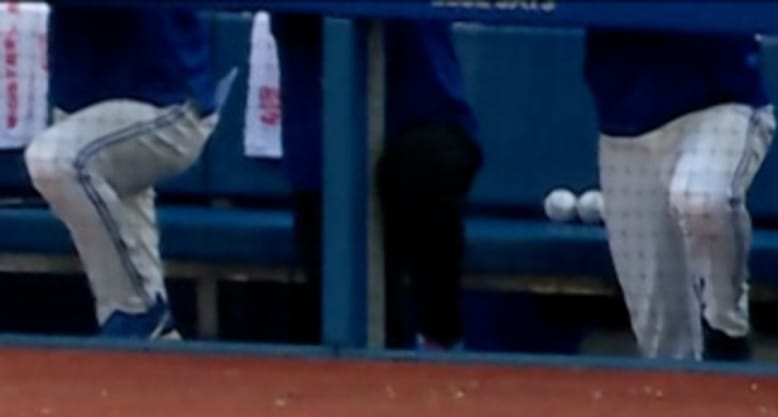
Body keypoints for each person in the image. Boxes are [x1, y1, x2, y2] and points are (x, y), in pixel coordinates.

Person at [274, 14, 483, 352]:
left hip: (422, 116)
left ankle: (440, 342)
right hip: (323, 144)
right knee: (346, 317)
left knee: (426, 163)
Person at [24, 0, 231, 340]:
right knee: (93, 180)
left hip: (165, 103)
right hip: (88, 102)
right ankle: (153, 342)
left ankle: (138, 312)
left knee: (56, 160)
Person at [580, 27, 776, 363]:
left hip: (719, 102)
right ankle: (696, 412)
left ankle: (728, 328)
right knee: (662, 343)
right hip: (624, 120)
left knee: (703, 200)